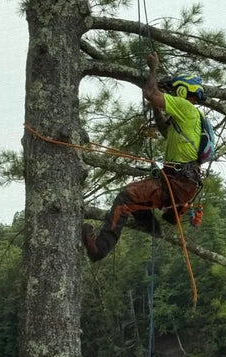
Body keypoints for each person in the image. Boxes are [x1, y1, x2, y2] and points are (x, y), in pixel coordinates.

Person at [82, 52, 204, 262]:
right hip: (181, 182)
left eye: (175, 91)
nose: (173, 95)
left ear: (183, 91)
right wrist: (156, 107)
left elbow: (150, 92)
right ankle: (152, 226)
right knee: (139, 195)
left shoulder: (186, 108)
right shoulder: (187, 119)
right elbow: (162, 127)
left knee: (126, 197)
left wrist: (153, 68)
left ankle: (98, 249)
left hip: (178, 182)